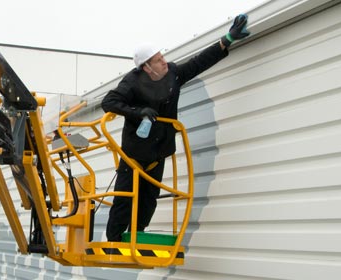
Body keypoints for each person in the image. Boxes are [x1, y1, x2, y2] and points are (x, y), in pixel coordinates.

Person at [102, 14, 251, 242]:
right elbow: (109, 102)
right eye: (158, 59)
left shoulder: (171, 74)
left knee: (149, 198)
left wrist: (227, 40)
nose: (164, 61)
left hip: (159, 150)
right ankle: (114, 241)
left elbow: (197, 63)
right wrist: (138, 111)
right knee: (125, 198)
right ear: (147, 67)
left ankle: (135, 237)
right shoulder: (132, 82)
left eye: (163, 57)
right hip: (133, 154)